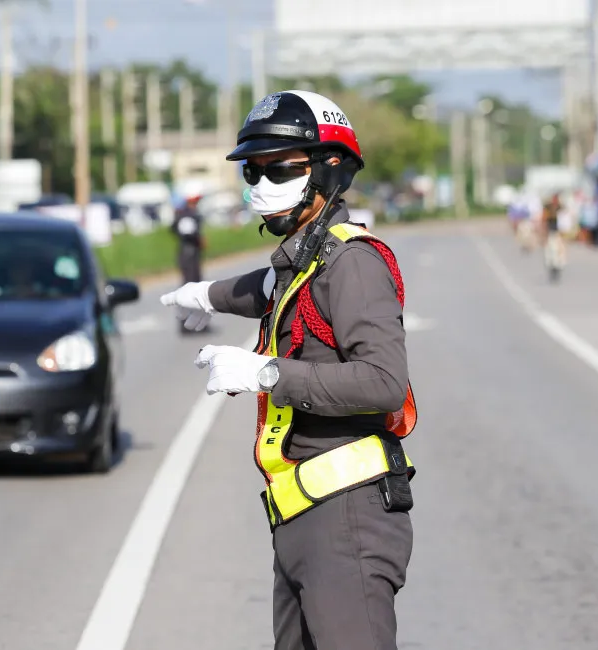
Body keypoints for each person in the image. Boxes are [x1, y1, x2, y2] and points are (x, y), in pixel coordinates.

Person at [160, 90, 418, 650]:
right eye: (253, 171)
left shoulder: (352, 264)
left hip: (346, 519)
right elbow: (270, 288)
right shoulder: (308, 257)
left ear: (330, 169)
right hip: (301, 515)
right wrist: (205, 294)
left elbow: (384, 382)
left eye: (280, 168)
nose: (261, 184)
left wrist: (267, 375)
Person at [170, 190, 206, 333]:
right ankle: (188, 323)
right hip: (189, 255)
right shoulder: (187, 215)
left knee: (192, 287)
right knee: (190, 288)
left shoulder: (184, 214)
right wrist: (198, 239)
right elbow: (188, 232)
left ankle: (193, 323)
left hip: (189, 254)